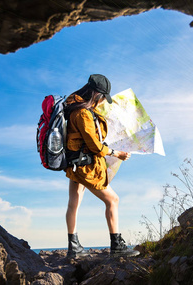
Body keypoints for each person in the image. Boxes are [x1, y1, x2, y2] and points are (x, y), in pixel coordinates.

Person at [64, 74, 140, 258]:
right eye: (102, 98)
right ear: (96, 94)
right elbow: (95, 146)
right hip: (86, 167)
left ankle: (73, 247)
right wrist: (117, 153)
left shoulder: (75, 107)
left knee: (74, 203)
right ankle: (117, 246)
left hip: (75, 164)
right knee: (113, 200)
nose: (103, 101)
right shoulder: (83, 113)